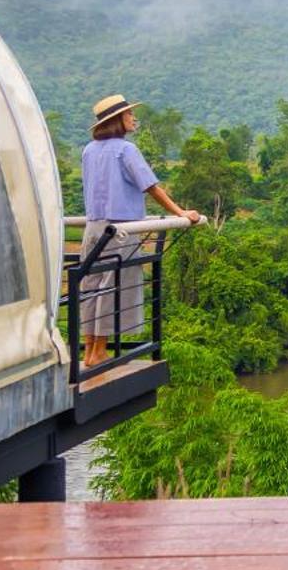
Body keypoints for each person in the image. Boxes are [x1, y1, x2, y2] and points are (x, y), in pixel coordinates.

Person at [78, 94, 202, 370]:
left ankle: (89, 352)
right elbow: (150, 186)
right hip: (120, 231)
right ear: (118, 120)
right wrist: (180, 212)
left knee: (91, 288)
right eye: (129, 114)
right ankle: (98, 352)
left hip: (93, 229)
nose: (134, 118)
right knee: (112, 289)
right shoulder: (126, 150)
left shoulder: (89, 150)